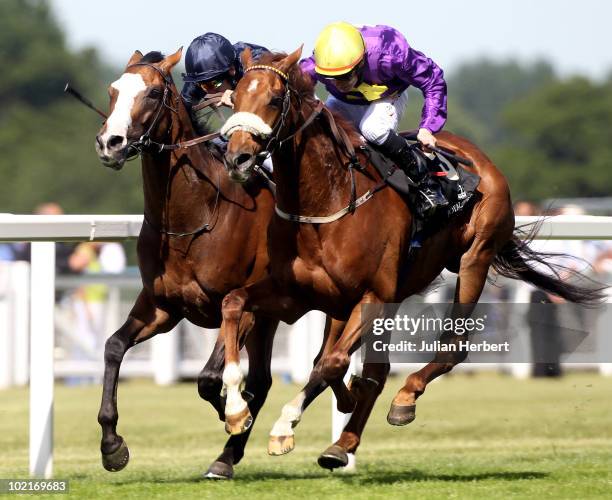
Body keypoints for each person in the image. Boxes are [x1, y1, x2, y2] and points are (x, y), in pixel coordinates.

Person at [300, 22, 449, 216]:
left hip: (388, 95)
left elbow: (433, 80)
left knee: (372, 129)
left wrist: (428, 127)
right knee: (319, 132)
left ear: (361, 62)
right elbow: (290, 86)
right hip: (342, 101)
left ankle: (426, 185)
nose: (337, 82)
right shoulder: (314, 65)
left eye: (344, 76)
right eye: (330, 77)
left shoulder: (391, 53)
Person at [181, 33, 269, 135]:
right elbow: (181, 110)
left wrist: (238, 98)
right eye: (203, 86)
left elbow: (269, 103)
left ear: (231, 70)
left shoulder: (257, 64)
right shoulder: (201, 78)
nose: (209, 91)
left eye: (213, 85)